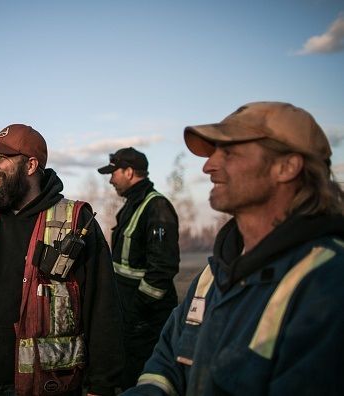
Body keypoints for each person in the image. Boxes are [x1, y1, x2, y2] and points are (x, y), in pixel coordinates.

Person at [123, 101, 344, 395]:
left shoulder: (327, 282)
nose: (208, 166)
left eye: (228, 152)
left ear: (286, 167)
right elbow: (166, 364)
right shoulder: (213, 274)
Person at [0, 124, 124, 395]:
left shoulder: (75, 222)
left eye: (1, 157)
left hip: (47, 386)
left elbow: (102, 307)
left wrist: (101, 386)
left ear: (31, 165)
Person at [97, 147, 180, 390]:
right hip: (130, 317)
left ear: (130, 172)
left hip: (147, 321)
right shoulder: (133, 206)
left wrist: (136, 311)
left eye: (114, 173)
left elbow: (162, 270)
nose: (111, 179)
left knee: (143, 378)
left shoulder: (157, 207)